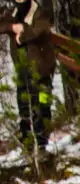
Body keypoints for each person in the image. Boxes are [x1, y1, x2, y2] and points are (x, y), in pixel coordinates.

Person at [5, 0, 55, 153]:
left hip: (42, 71)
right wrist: (12, 27)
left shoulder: (41, 10)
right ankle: (28, 144)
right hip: (22, 70)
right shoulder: (13, 12)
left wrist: (22, 33)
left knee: (43, 105)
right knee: (24, 108)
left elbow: (39, 30)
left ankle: (43, 144)